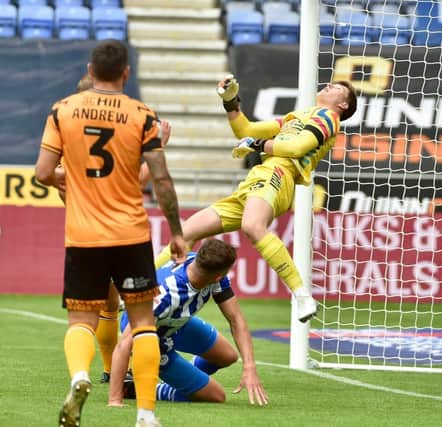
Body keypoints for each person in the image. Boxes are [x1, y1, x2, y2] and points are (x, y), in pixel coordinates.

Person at [35, 40, 186, 427]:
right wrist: (177, 231)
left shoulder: (62, 110)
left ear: (89, 69)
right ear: (126, 73)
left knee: (80, 322)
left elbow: (40, 173)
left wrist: (66, 184)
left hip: (83, 236)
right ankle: (147, 415)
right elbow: (162, 181)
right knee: (143, 324)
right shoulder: (142, 114)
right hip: (130, 233)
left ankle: (80, 377)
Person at [154, 75, 358, 322]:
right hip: (256, 179)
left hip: (279, 174)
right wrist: (230, 102)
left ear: (343, 105)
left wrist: (258, 145)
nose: (328, 85)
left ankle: (302, 295)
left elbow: (296, 149)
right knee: (186, 232)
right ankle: (144, 290)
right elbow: (245, 130)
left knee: (253, 226)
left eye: (336, 88)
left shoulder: (327, 118)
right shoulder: (296, 118)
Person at [59, 74, 173, 386]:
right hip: (121, 230)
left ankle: (97, 372)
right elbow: (135, 185)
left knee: (98, 308)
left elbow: (52, 176)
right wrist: (157, 148)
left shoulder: (69, 132)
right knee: (141, 317)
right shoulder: (119, 128)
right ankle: (141, 404)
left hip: (83, 231)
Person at [108, 238, 268, 406]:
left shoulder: (202, 266)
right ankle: (136, 388)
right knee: (216, 396)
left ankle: (187, 377)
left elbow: (236, 320)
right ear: (217, 277)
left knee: (228, 356)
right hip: (151, 334)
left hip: (177, 322)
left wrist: (249, 367)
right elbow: (123, 345)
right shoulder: (165, 296)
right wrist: (114, 400)